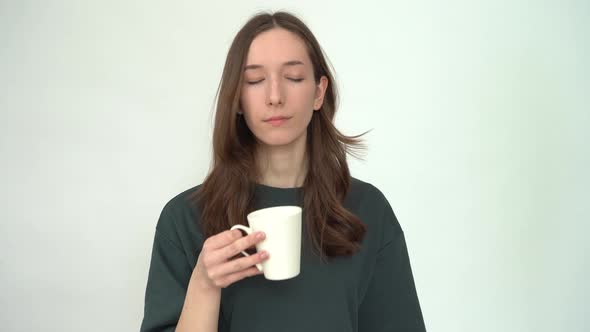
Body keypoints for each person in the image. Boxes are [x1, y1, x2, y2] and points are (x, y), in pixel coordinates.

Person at [140, 10, 426, 332]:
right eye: (255, 81)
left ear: (319, 92)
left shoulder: (367, 211)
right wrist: (205, 284)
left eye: (293, 78)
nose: (275, 97)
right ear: (237, 99)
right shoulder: (185, 219)